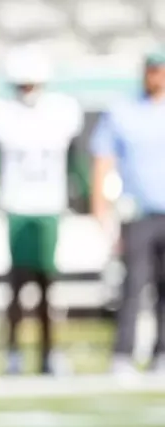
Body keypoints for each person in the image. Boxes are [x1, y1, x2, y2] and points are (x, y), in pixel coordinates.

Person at [0, 47, 89, 376]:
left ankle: (48, 352)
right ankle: (13, 350)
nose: (27, 91)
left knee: (46, 282)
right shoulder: (2, 115)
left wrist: (83, 195)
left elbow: (73, 160)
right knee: (16, 282)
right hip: (17, 204)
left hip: (47, 204)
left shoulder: (60, 113)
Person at [90, 47, 165, 375]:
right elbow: (104, 160)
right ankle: (123, 353)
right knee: (133, 283)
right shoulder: (124, 111)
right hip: (138, 212)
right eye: (152, 70)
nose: (157, 77)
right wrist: (100, 208)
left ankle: (162, 352)